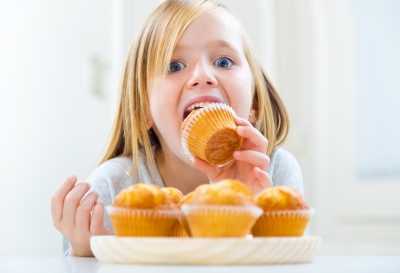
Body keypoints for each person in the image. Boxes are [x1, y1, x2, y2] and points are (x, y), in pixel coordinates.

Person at [51, 0, 304, 257]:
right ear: (143, 111)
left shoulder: (274, 173)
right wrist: (89, 252)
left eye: (224, 62)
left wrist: (251, 210)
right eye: (174, 66)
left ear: (255, 102)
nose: (202, 75)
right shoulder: (111, 188)